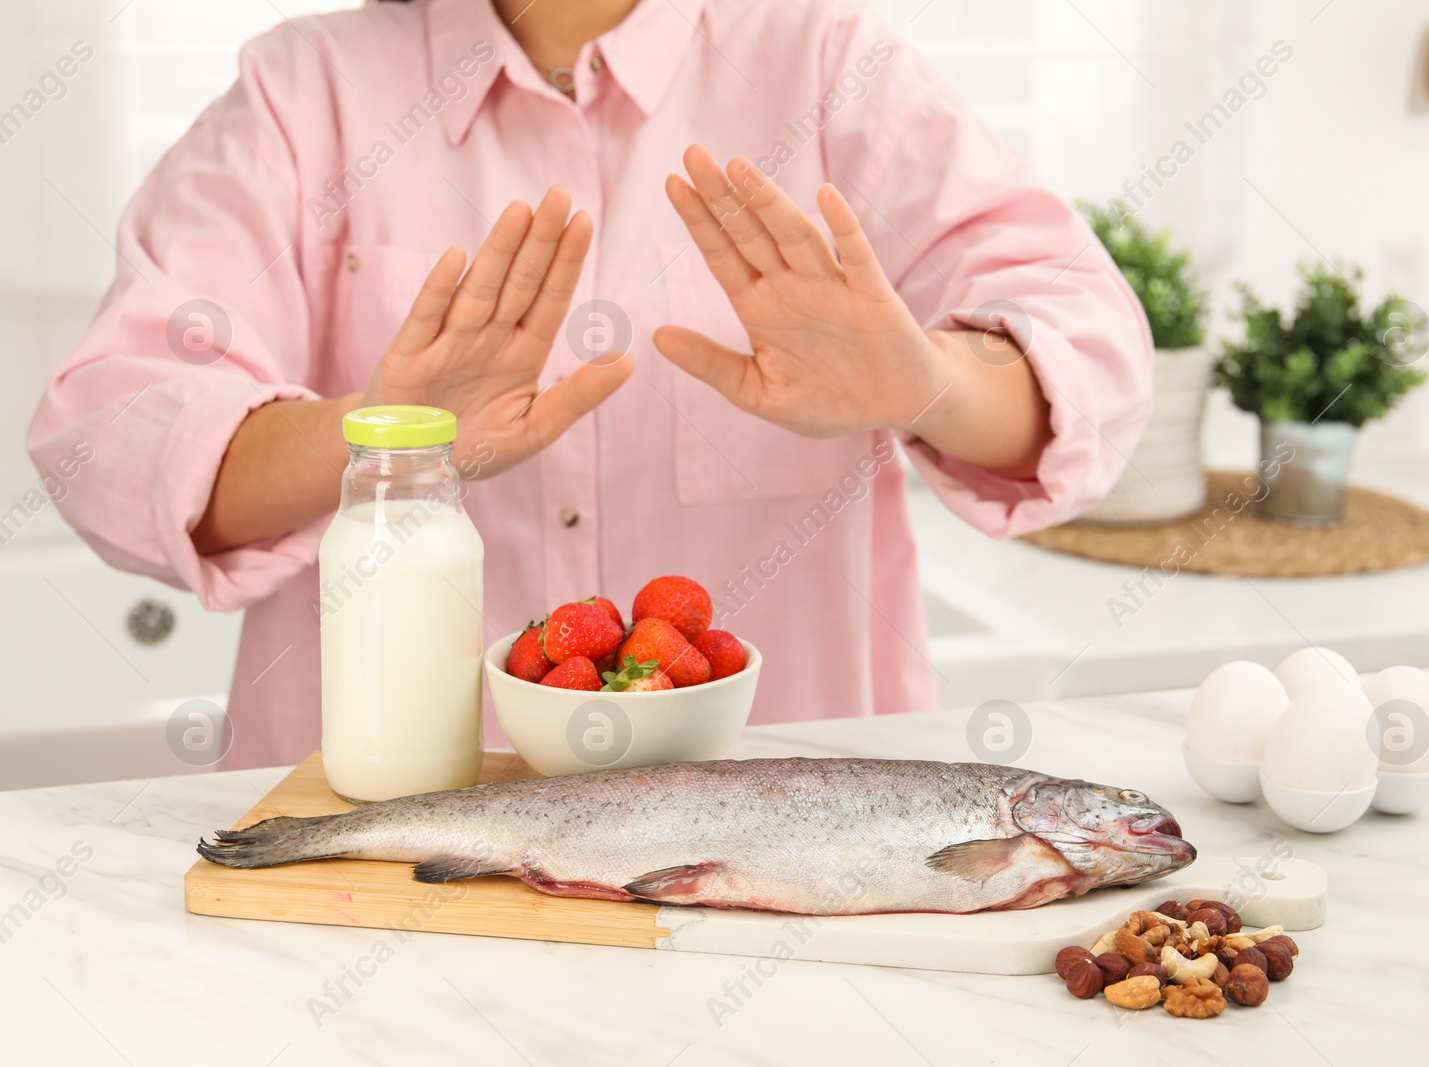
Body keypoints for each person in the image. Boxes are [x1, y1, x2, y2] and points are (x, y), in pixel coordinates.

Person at [26, 0, 1152, 769]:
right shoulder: (300, 91)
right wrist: (390, 436)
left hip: (783, 855)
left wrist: (928, 382)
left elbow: (1086, 351)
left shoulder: (826, 61)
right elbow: (107, 430)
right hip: (387, 857)